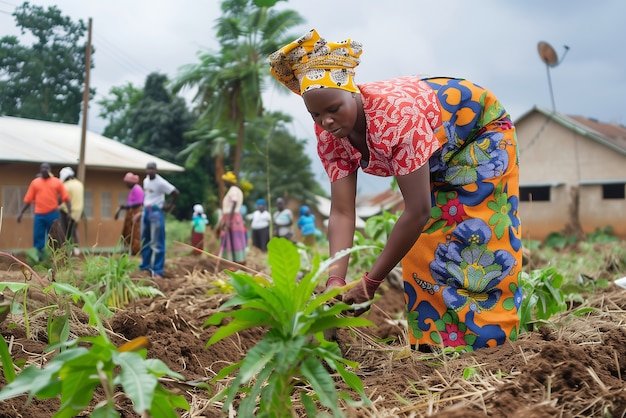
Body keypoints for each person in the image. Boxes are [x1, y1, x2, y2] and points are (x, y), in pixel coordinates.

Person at [269, 29, 522, 351]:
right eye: (315, 115)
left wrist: (371, 282)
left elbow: (417, 211)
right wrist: (336, 280)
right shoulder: (330, 136)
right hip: (435, 148)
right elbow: (343, 211)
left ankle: (493, 345)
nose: (327, 121)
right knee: (421, 248)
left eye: (333, 108)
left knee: (477, 234)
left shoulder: (393, 119)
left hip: (479, 133)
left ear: (353, 93)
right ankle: (435, 346)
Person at [17, 163, 71, 258]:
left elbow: (66, 197)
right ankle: (40, 258)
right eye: (42, 168)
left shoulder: (57, 182)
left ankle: (57, 257)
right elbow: (28, 200)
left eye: (46, 168)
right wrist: (21, 213)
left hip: (53, 214)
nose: (44, 169)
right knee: (38, 236)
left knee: (55, 236)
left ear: (49, 170)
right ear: (40, 170)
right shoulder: (35, 183)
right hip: (39, 215)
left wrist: (70, 212)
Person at [140, 162, 179, 278]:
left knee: (157, 242)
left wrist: (169, 206)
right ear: (146, 170)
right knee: (145, 240)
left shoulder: (161, 182)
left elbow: (175, 192)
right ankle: (145, 266)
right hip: (146, 210)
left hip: (156, 211)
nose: (150, 171)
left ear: (156, 170)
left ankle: (157, 270)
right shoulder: (145, 180)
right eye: (148, 169)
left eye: (152, 169)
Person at [216, 171, 247, 264]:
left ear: (230, 182)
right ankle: (234, 260)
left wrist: (229, 220)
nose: (224, 183)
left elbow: (234, 202)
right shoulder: (235, 190)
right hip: (231, 217)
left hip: (232, 217)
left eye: (225, 181)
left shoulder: (233, 190)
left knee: (234, 239)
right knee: (233, 239)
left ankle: (236, 261)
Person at [115, 172, 144, 255]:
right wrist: (124, 207)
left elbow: (139, 203)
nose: (126, 184)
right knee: (128, 233)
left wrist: (126, 206)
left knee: (135, 233)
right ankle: (128, 251)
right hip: (131, 213)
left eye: (127, 182)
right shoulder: (133, 189)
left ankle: (136, 252)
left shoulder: (137, 188)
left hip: (135, 213)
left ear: (131, 182)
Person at [58, 167, 84, 255]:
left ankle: (68, 250)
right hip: (78, 212)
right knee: (74, 230)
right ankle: (76, 248)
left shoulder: (66, 185)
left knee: (66, 231)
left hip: (67, 211)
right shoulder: (79, 184)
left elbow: (63, 199)